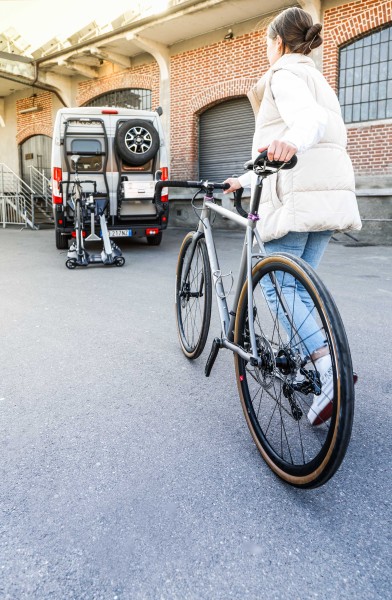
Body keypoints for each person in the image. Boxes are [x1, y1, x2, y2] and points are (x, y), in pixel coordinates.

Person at [223, 7, 362, 426]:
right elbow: (314, 132)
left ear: (278, 42)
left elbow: (308, 124)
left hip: (299, 196)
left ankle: (328, 371)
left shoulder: (283, 75)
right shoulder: (318, 79)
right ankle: (329, 360)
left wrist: (289, 142)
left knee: (277, 288)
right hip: (328, 198)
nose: (267, 50)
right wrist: (244, 180)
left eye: (267, 43)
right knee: (301, 292)